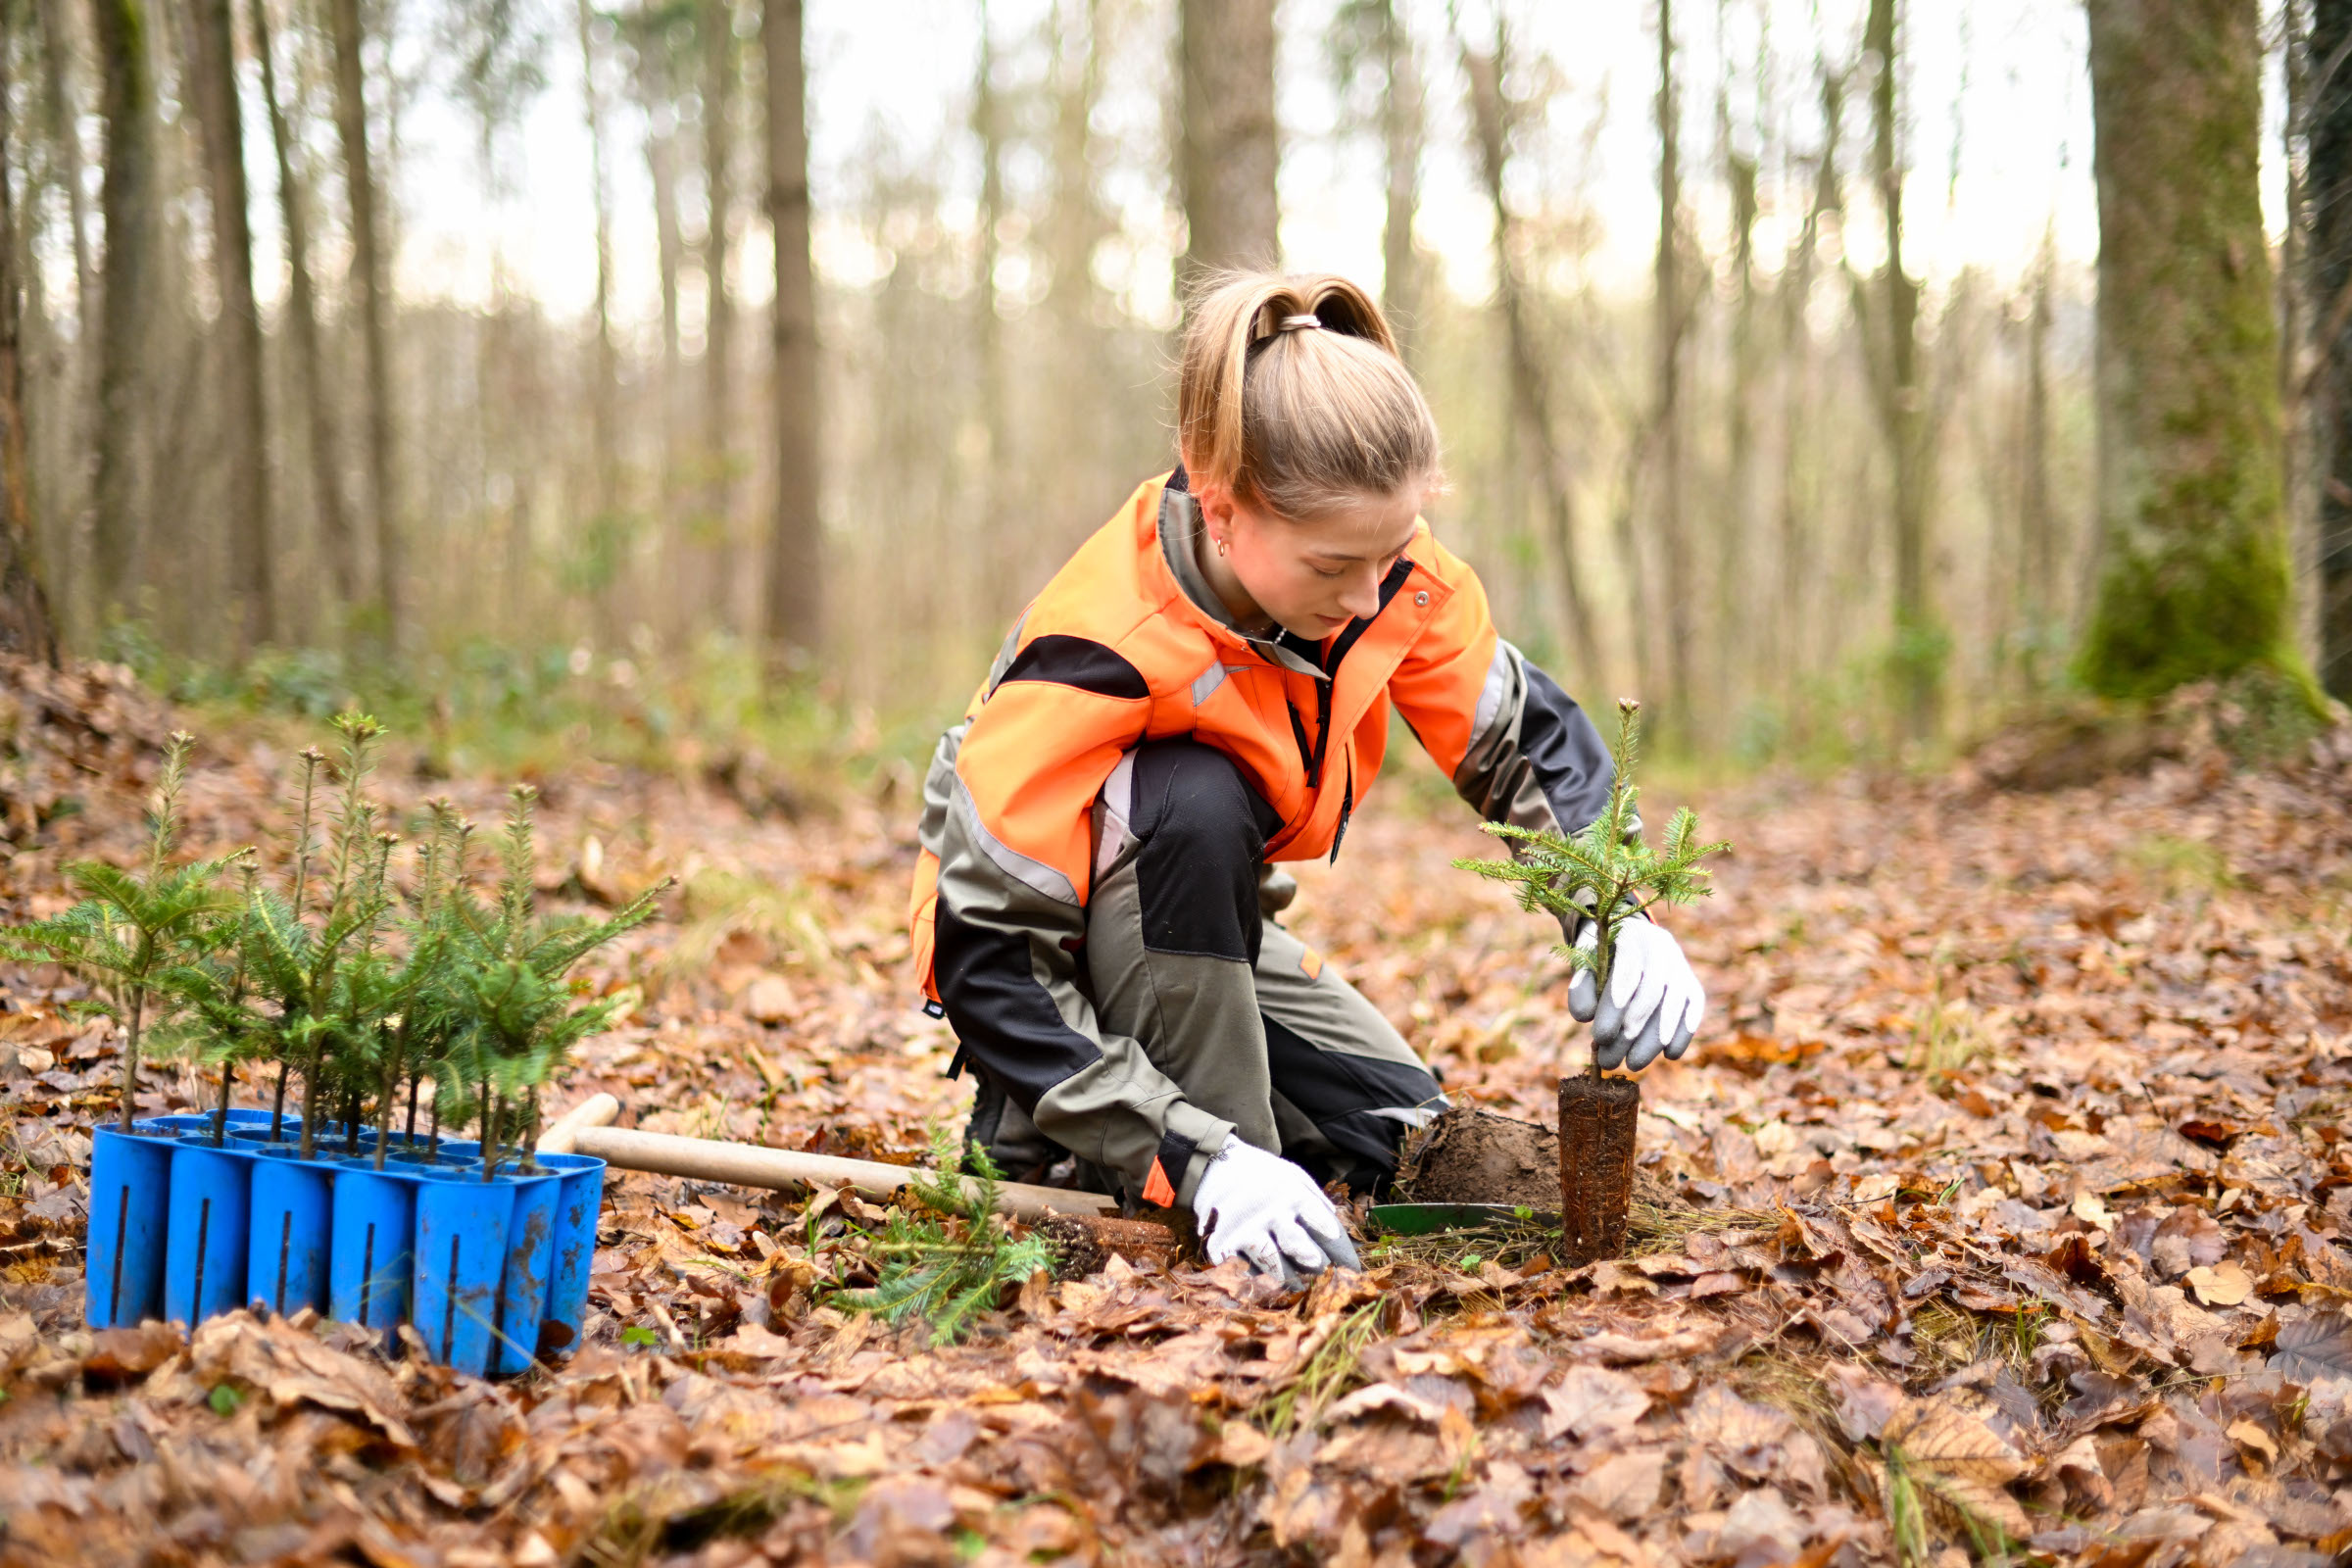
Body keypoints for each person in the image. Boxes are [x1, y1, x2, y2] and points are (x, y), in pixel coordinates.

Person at [906, 271, 1706, 1283]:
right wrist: (1207, 1162)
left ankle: (1214, 1140)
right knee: (1187, 797)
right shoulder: (1099, 644)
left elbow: (1516, 737)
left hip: (1207, 933)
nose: (1369, 595)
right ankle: (1091, 1135)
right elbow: (989, 961)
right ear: (1225, 510)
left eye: (1391, 550)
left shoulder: (1380, 571)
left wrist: (1612, 909)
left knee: (1405, 1138)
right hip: (1048, 971)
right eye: (1333, 567)